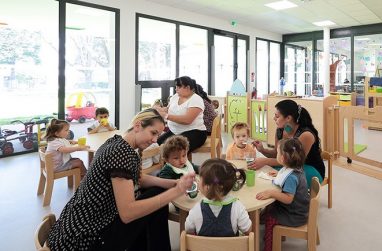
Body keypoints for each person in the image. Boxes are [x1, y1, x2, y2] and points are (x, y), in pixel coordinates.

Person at [47, 108, 196, 251]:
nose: (155, 140)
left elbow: (138, 179)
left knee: (155, 193)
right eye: (153, 133)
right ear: (137, 126)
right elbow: (127, 213)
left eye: (158, 135)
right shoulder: (121, 153)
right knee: (157, 197)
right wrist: (176, 191)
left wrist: (173, 183)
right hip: (87, 236)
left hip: (76, 223)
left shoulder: (116, 143)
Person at [249, 99, 326, 179]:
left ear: (288, 118)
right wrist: (262, 150)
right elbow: (277, 154)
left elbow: (294, 162)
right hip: (290, 167)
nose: (274, 118)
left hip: (310, 169)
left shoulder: (306, 135)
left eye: (277, 116)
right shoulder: (280, 130)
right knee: (267, 171)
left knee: (283, 177)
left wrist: (265, 161)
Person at [256, 138, 310, 251]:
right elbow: (289, 180)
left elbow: (288, 199)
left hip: (294, 215)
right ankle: (261, 219)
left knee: (270, 219)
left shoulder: (291, 177)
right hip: (299, 210)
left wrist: (271, 192)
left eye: (277, 152)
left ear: (282, 158)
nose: (276, 154)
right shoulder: (295, 168)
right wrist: (278, 174)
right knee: (269, 207)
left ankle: (269, 247)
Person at [185, 159, 251, 237]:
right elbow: (248, 230)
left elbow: (188, 230)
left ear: (207, 187)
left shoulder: (196, 209)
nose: (198, 181)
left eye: (200, 179)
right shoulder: (237, 207)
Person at [155, 76, 207, 153]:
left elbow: (187, 120)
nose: (176, 89)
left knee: (172, 150)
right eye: (176, 87)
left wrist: (165, 116)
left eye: (179, 87)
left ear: (187, 87)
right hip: (175, 131)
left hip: (195, 133)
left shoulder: (196, 99)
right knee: (156, 144)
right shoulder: (175, 97)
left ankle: (180, 164)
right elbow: (168, 109)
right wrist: (158, 109)